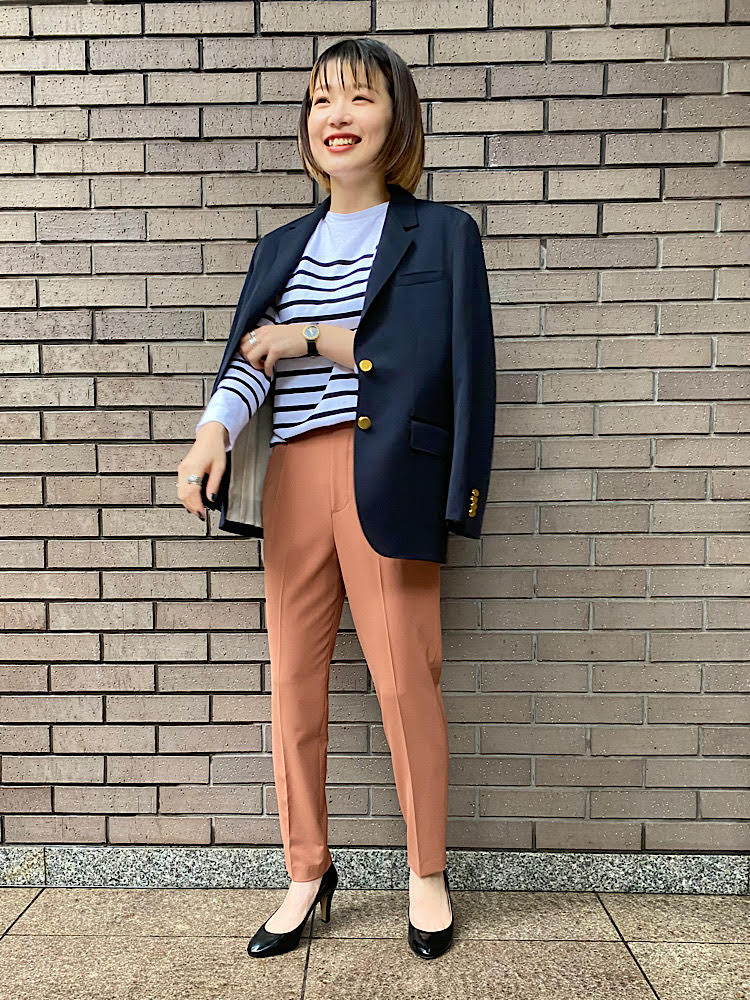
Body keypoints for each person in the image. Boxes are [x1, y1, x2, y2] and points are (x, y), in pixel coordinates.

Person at [177, 37, 495, 961]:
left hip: (389, 473)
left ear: (398, 117)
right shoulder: (282, 246)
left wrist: (312, 337)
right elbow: (251, 358)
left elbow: (439, 361)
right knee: (293, 686)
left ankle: (426, 874)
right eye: (321, 100)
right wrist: (212, 431)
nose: (337, 116)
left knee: (404, 681)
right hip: (291, 477)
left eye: (359, 97)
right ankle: (306, 872)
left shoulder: (442, 235)